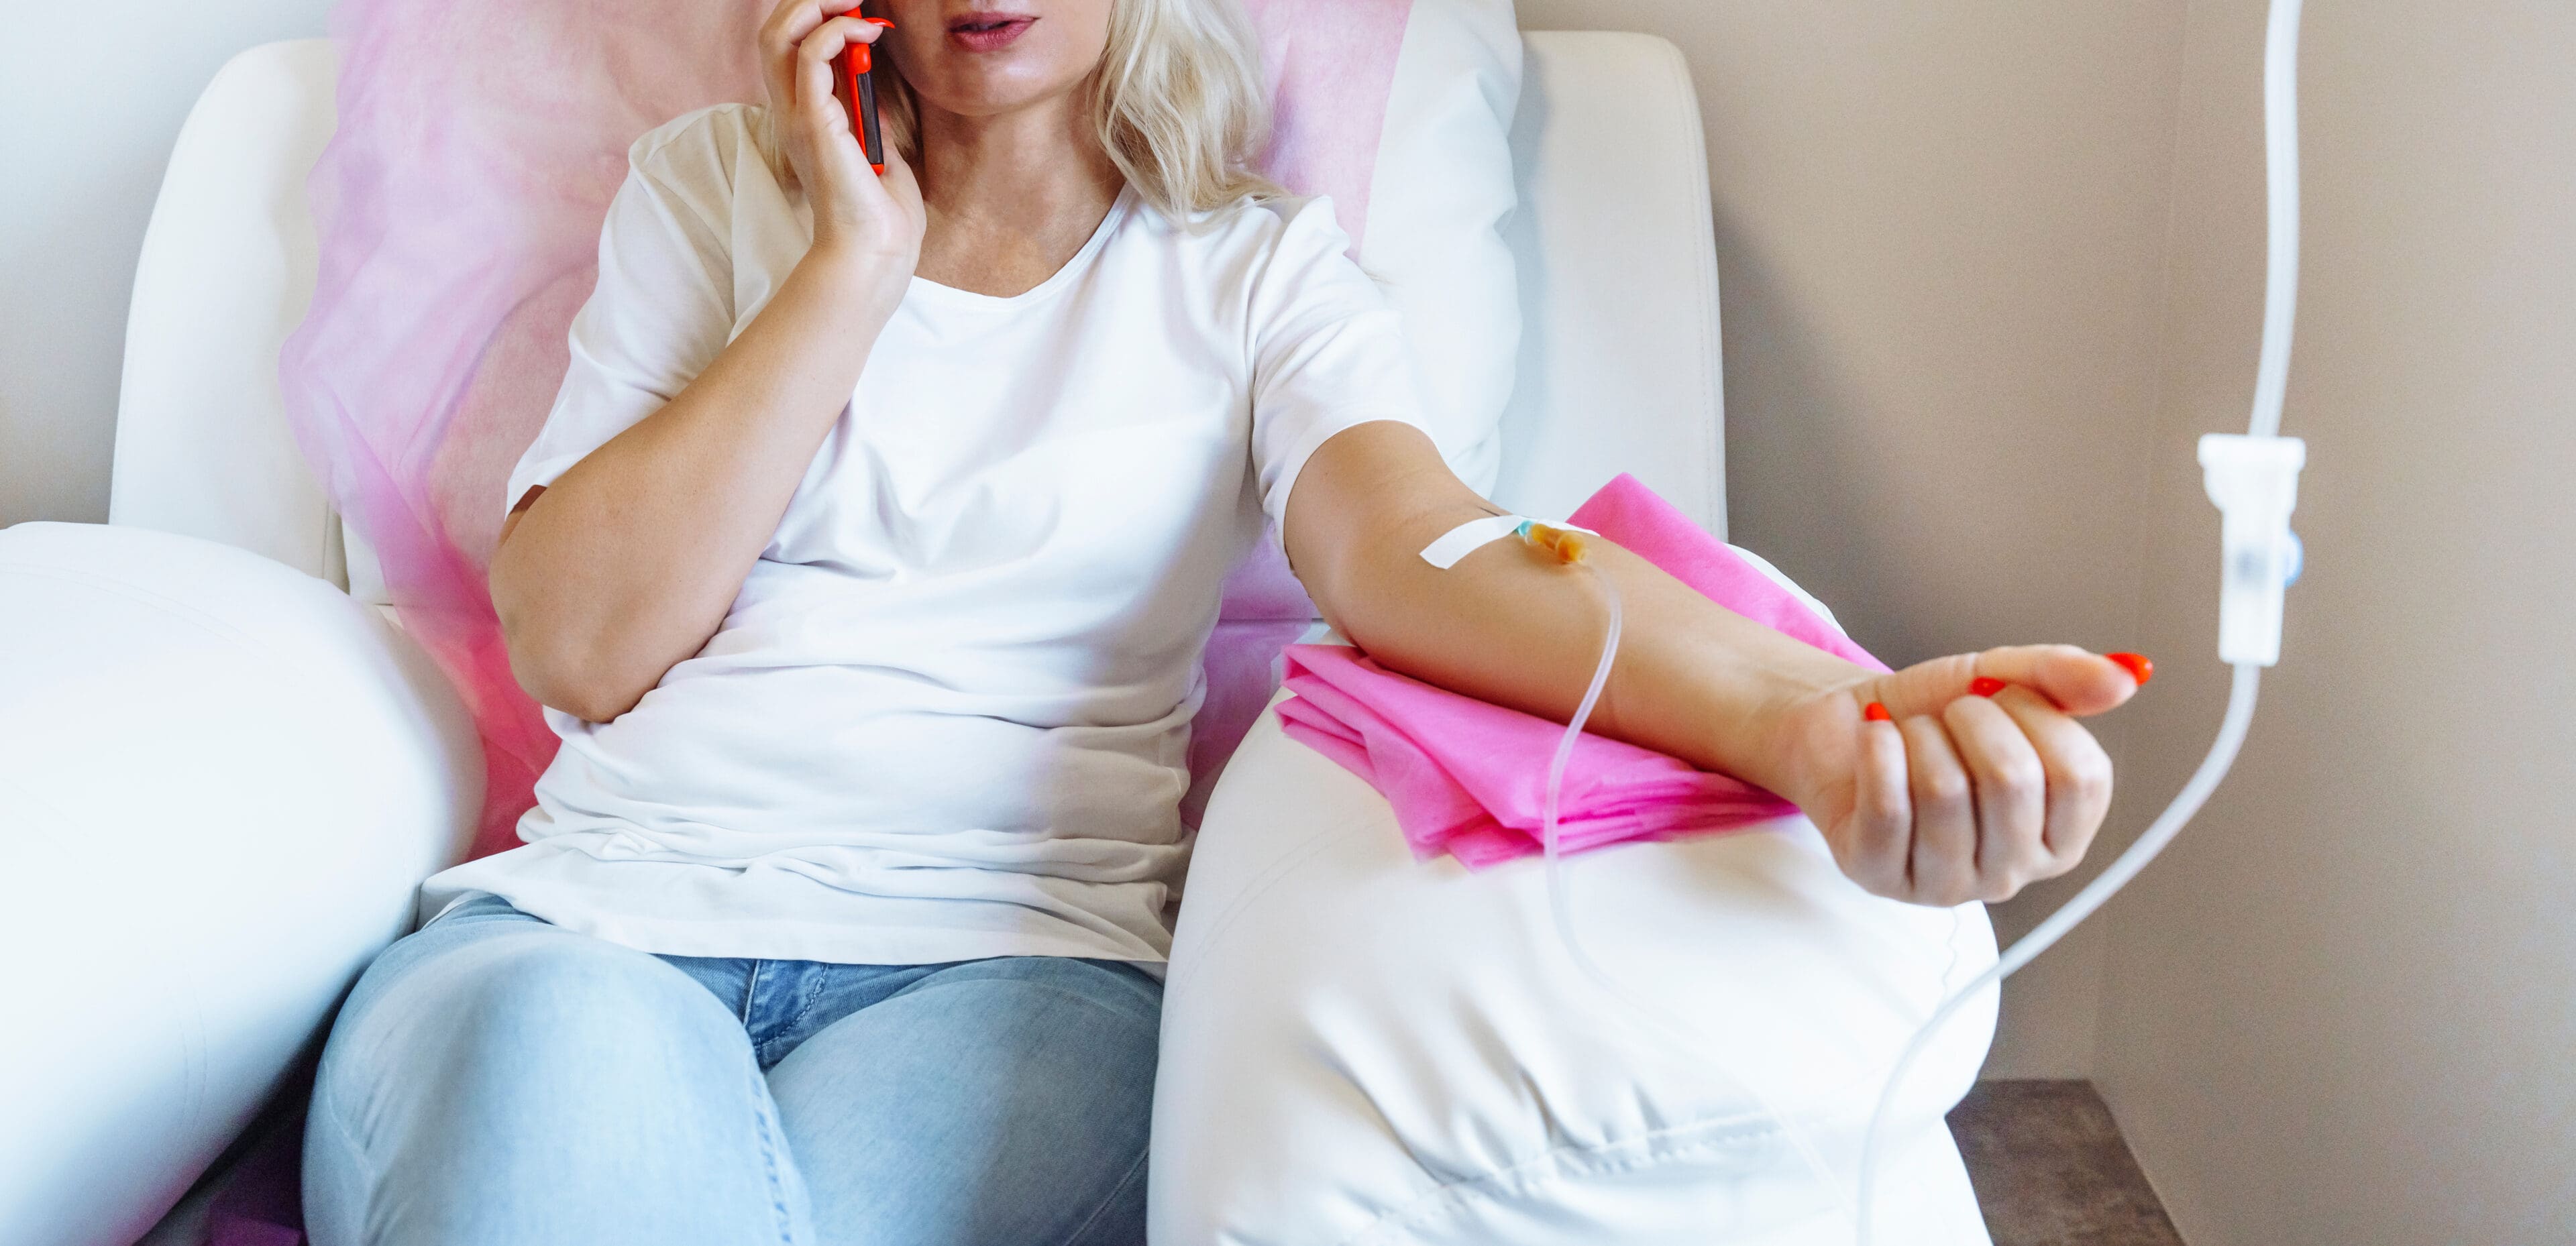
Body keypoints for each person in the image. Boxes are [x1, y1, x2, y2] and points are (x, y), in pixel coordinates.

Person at [301, 1, 2142, 1242]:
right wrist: (852, 265)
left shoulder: (1258, 273)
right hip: (590, 925)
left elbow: (1431, 549)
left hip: (1013, 976)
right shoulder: (711, 198)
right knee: (561, 1065)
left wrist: (1808, 714)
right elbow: (579, 642)